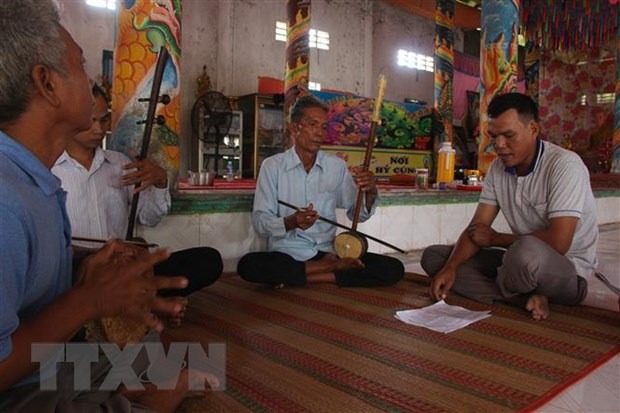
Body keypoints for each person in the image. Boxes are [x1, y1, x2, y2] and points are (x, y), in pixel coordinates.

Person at [0, 2, 216, 411]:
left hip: (50, 363)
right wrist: (90, 299)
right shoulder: (5, 199)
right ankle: (143, 398)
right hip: (19, 387)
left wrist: (86, 262)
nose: (93, 82)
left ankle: (131, 388)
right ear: (46, 84)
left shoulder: (33, 178)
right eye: (80, 64)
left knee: (135, 356)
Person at [421, 93, 598, 320]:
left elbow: (560, 242)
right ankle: (526, 298)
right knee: (435, 258)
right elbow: (477, 228)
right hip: (517, 261)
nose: (499, 145)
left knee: (524, 254)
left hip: (568, 268)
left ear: (533, 129)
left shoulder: (564, 165)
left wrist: (496, 240)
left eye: (509, 135)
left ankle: (524, 291)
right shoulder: (498, 168)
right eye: (494, 136)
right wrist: (452, 266)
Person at [52, 84, 223, 299]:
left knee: (207, 259)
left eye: (104, 119)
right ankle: (138, 302)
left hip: (122, 271)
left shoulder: (120, 164)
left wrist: (161, 182)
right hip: (74, 273)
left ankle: (134, 300)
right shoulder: (49, 168)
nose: (98, 129)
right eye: (90, 120)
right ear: (69, 118)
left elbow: (149, 218)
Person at [237, 95, 404, 287]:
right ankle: (332, 271)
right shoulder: (272, 166)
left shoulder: (337, 167)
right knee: (249, 265)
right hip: (288, 253)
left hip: (328, 251)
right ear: (294, 128)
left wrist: (371, 192)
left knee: (393, 267)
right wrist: (291, 222)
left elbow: (356, 214)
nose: (319, 133)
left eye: (324, 127)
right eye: (313, 124)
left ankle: (310, 276)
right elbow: (260, 223)